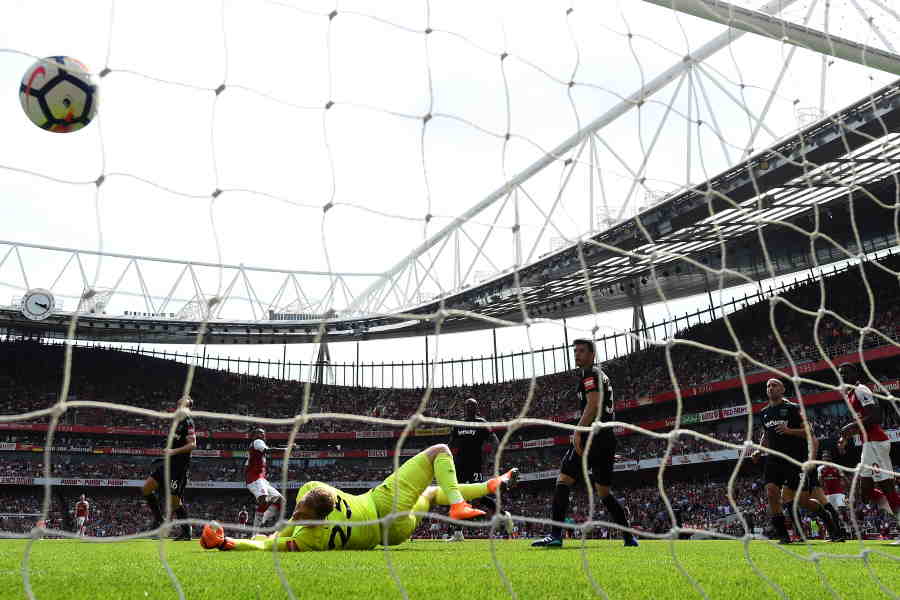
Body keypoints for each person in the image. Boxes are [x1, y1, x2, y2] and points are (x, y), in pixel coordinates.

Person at [199, 444, 518, 552]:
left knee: (434, 493)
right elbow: (278, 534)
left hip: (391, 534)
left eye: (301, 510)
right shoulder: (317, 495)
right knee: (439, 454)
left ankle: (489, 486)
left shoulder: (313, 538)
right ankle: (462, 501)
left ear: (318, 516)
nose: (296, 512)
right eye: (300, 509)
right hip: (382, 506)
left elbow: (271, 544)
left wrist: (231, 543)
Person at [532, 339, 637, 548]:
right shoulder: (600, 376)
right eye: (575, 351)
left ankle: (555, 535)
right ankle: (628, 537)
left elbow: (593, 405)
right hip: (606, 437)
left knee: (563, 480)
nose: (577, 354)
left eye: (581, 351)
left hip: (592, 435)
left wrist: (578, 431)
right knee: (604, 493)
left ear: (592, 355)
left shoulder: (591, 374)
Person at [752, 378, 841, 544]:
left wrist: (789, 431)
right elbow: (766, 434)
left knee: (801, 500)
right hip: (773, 459)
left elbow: (809, 431)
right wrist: (759, 449)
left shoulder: (792, 409)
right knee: (771, 492)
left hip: (794, 459)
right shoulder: (764, 412)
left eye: (775, 385)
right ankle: (783, 535)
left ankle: (827, 519)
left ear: (783, 389)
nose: (771, 388)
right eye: (768, 386)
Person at [836, 363, 900, 526]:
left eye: (845, 373)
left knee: (886, 487)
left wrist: (851, 427)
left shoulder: (861, 390)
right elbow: (864, 422)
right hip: (868, 444)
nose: (842, 375)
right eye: (840, 373)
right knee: (865, 491)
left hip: (876, 443)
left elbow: (875, 417)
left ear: (855, 374)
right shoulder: (850, 394)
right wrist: (847, 436)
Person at [448, 398, 512, 539]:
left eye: (473, 406)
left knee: (479, 496)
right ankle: (458, 532)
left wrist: (493, 457)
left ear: (477, 408)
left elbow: (494, 439)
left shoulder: (481, 423)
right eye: (468, 406)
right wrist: (448, 458)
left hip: (475, 465)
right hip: (460, 466)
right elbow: (451, 443)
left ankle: (503, 515)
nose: (470, 408)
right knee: (458, 496)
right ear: (464, 408)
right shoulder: (458, 424)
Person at [141, 395, 195, 541]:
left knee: (174, 500)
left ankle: (186, 531)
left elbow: (192, 445)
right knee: (146, 488)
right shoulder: (176, 422)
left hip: (179, 467)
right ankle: (159, 520)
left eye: (182, 405)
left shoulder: (188, 422)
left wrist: (173, 451)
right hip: (168, 464)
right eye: (178, 404)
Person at [245, 427, 286, 534]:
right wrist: (286, 449)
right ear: (253, 436)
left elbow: (247, 464)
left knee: (281, 501)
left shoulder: (257, 449)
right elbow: (268, 450)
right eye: (258, 433)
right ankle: (256, 531)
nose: (261, 435)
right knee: (264, 500)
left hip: (261, 480)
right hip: (255, 479)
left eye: (263, 433)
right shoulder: (257, 442)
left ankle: (262, 521)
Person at [818, 449, 851, 534]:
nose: (825, 458)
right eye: (823, 457)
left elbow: (845, 479)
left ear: (830, 458)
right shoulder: (820, 469)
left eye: (827, 456)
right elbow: (820, 482)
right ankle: (832, 531)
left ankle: (847, 526)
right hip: (827, 494)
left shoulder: (836, 467)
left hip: (839, 493)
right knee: (829, 513)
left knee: (842, 509)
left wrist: (848, 492)